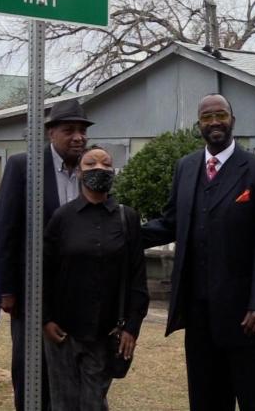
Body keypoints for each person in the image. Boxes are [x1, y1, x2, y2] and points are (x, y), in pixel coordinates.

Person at [142, 94, 255, 411]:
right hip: (198, 315)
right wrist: (121, 230)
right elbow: (171, 223)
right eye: (207, 117)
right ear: (199, 125)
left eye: (221, 114)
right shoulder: (187, 167)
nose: (215, 122)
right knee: (206, 400)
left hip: (247, 317)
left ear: (232, 119)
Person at [0, 99, 92, 410]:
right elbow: (7, 229)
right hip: (32, 292)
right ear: (51, 133)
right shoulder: (24, 166)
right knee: (32, 372)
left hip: (78, 294)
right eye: (69, 130)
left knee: (74, 376)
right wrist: (7, 288)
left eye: (82, 131)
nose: (78, 137)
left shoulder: (92, 170)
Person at [42, 146, 149, 411]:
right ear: (79, 172)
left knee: (93, 403)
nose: (99, 169)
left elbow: (138, 277)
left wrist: (132, 327)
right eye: (91, 164)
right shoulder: (62, 218)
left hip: (105, 331)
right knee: (63, 404)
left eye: (105, 164)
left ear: (113, 172)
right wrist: (46, 319)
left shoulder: (128, 219)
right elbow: (45, 272)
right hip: (64, 332)